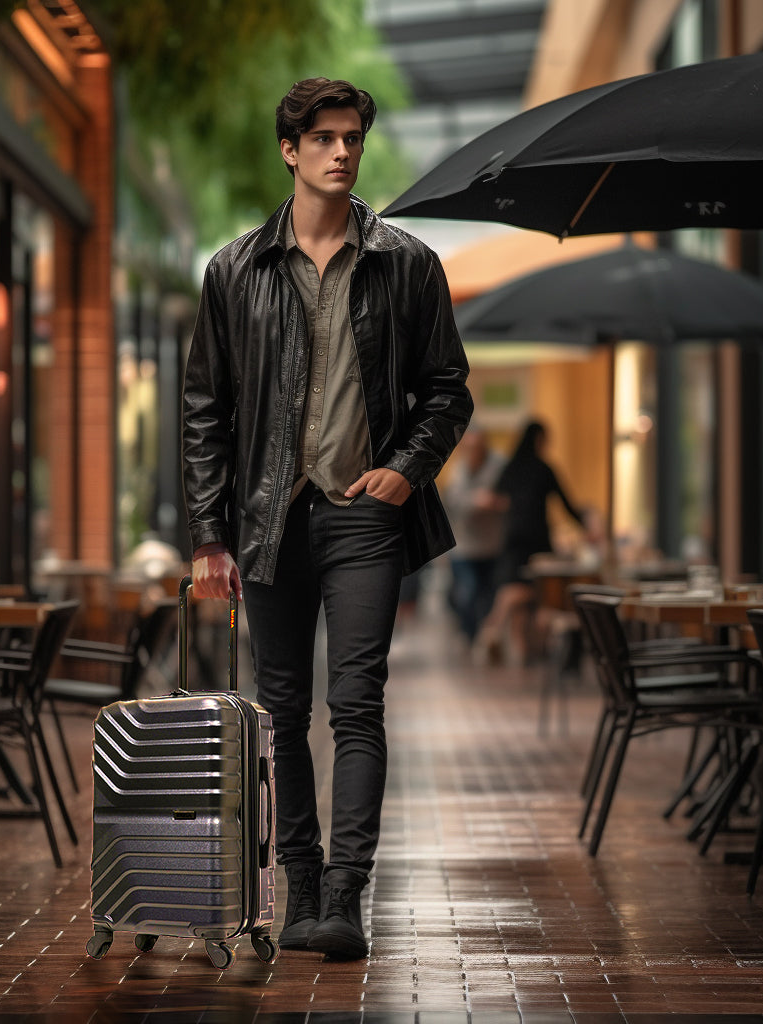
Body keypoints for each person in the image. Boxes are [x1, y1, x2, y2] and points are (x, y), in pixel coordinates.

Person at [181, 78, 473, 961]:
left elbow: (448, 390)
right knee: (279, 710)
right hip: (269, 517)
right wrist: (208, 533)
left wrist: (405, 471)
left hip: (362, 518)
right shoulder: (234, 270)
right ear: (290, 150)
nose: (342, 151)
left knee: (356, 703)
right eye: (325, 138)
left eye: (353, 137)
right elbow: (205, 407)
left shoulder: (407, 263)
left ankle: (344, 896)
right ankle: (296, 886)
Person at [477, 419, 587, 666]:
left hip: (513, 537)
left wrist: (508, 509)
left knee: (515, 590)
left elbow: (494, 497)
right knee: (534, 591)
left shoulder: (511, 467)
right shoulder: (544, 468)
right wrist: (586, 525)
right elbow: (567, 504)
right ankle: (496, 630)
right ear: (539, 439)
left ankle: (517, 647)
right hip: (536, 538)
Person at [442, 428, 507, 643]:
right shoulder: (457, 470)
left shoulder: (500, 466)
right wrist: (475, 502)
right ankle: (470, 635)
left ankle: (485, 638)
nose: (473, 451)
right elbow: (451, 504)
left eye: (477, 446)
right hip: (465, 546)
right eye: (468, 447)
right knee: (467, 594)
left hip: (493, 544)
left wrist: (497, 502)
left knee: (490, 595)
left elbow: (512, 496)